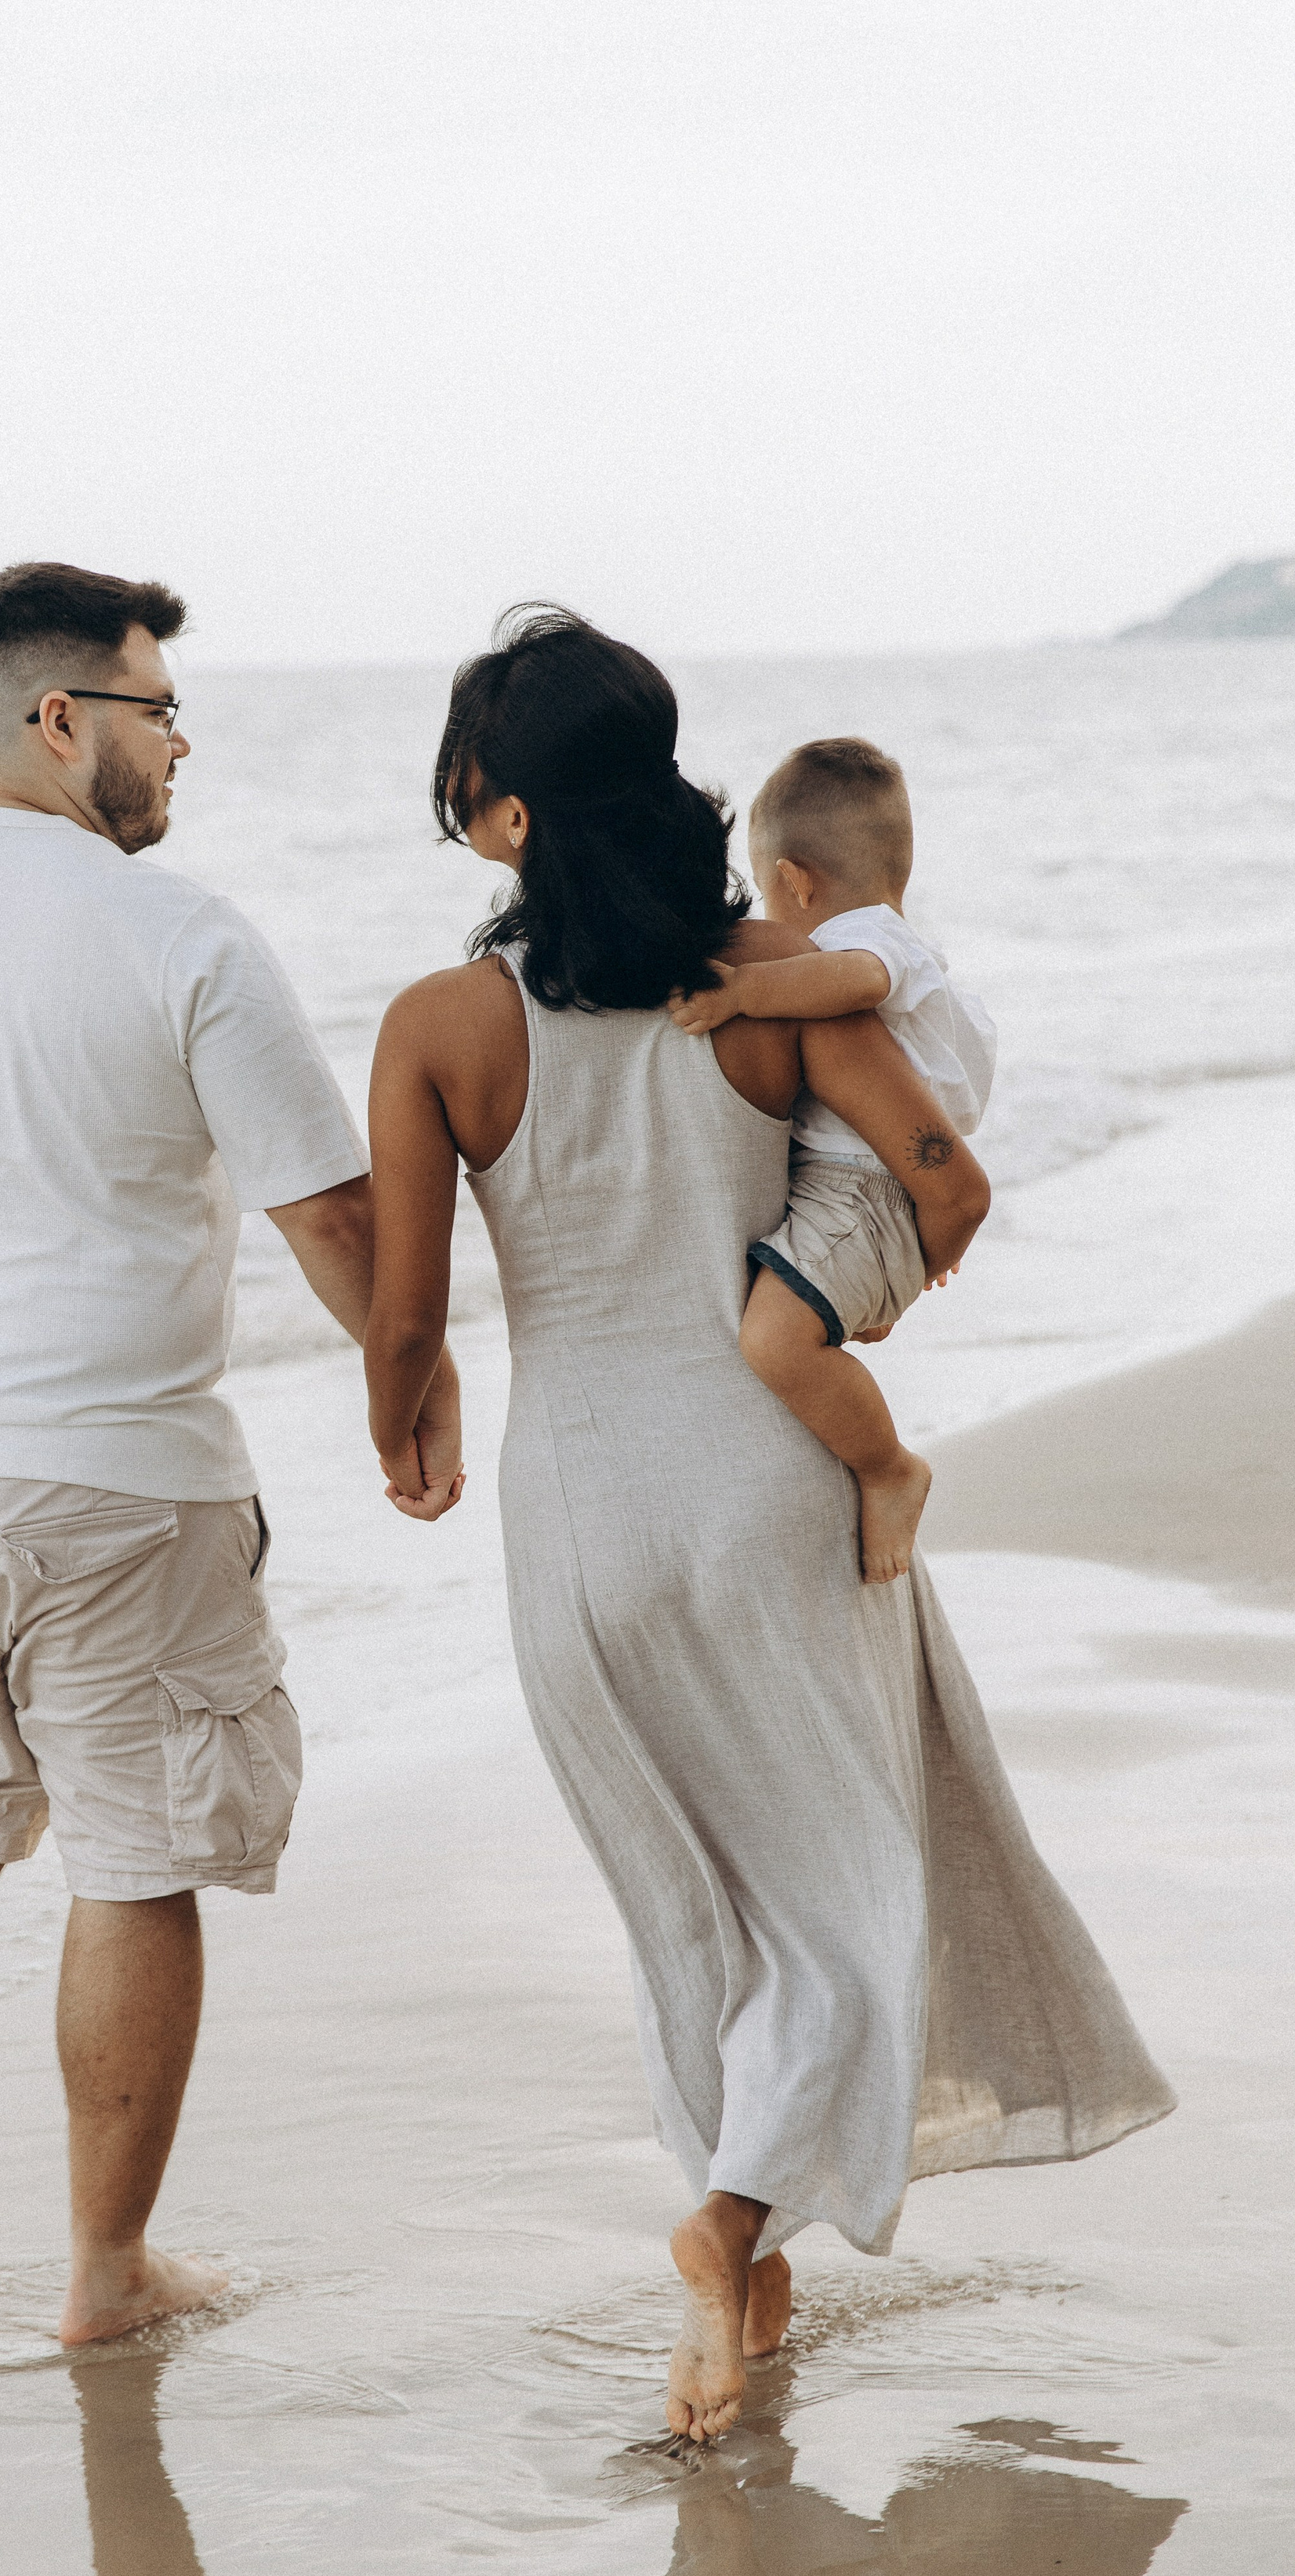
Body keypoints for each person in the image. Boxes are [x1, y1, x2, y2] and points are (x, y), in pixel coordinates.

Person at [362, 605, 1175, 2444]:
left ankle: (736, 2293)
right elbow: (935, 1176)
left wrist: (395, 1418)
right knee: (845, 1897)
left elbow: (407, 1314)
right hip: (763, 1491)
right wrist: (889, 1281)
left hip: (572, 1516)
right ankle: (726, 2223)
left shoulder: (433, 1028)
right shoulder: (762, 980)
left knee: (692, 1916)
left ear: (495, 817)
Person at [0, 560, 457, 2347]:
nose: (180, 746)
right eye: (156, 707)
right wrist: (407, 1393)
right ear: (61, 721)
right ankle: (106, 2271)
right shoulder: (178, 930)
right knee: (133, 1851)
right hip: (115, 1477)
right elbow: (333, 1214)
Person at [666, 737, 997, 1583]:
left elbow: (854, 979)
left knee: (776, 1344)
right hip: (868, 1195)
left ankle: (888, 1466)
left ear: (797, 882)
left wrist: (746, 992)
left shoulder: (868, 942)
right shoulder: (902, 946)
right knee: (791, 1325)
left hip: (864, 1189)